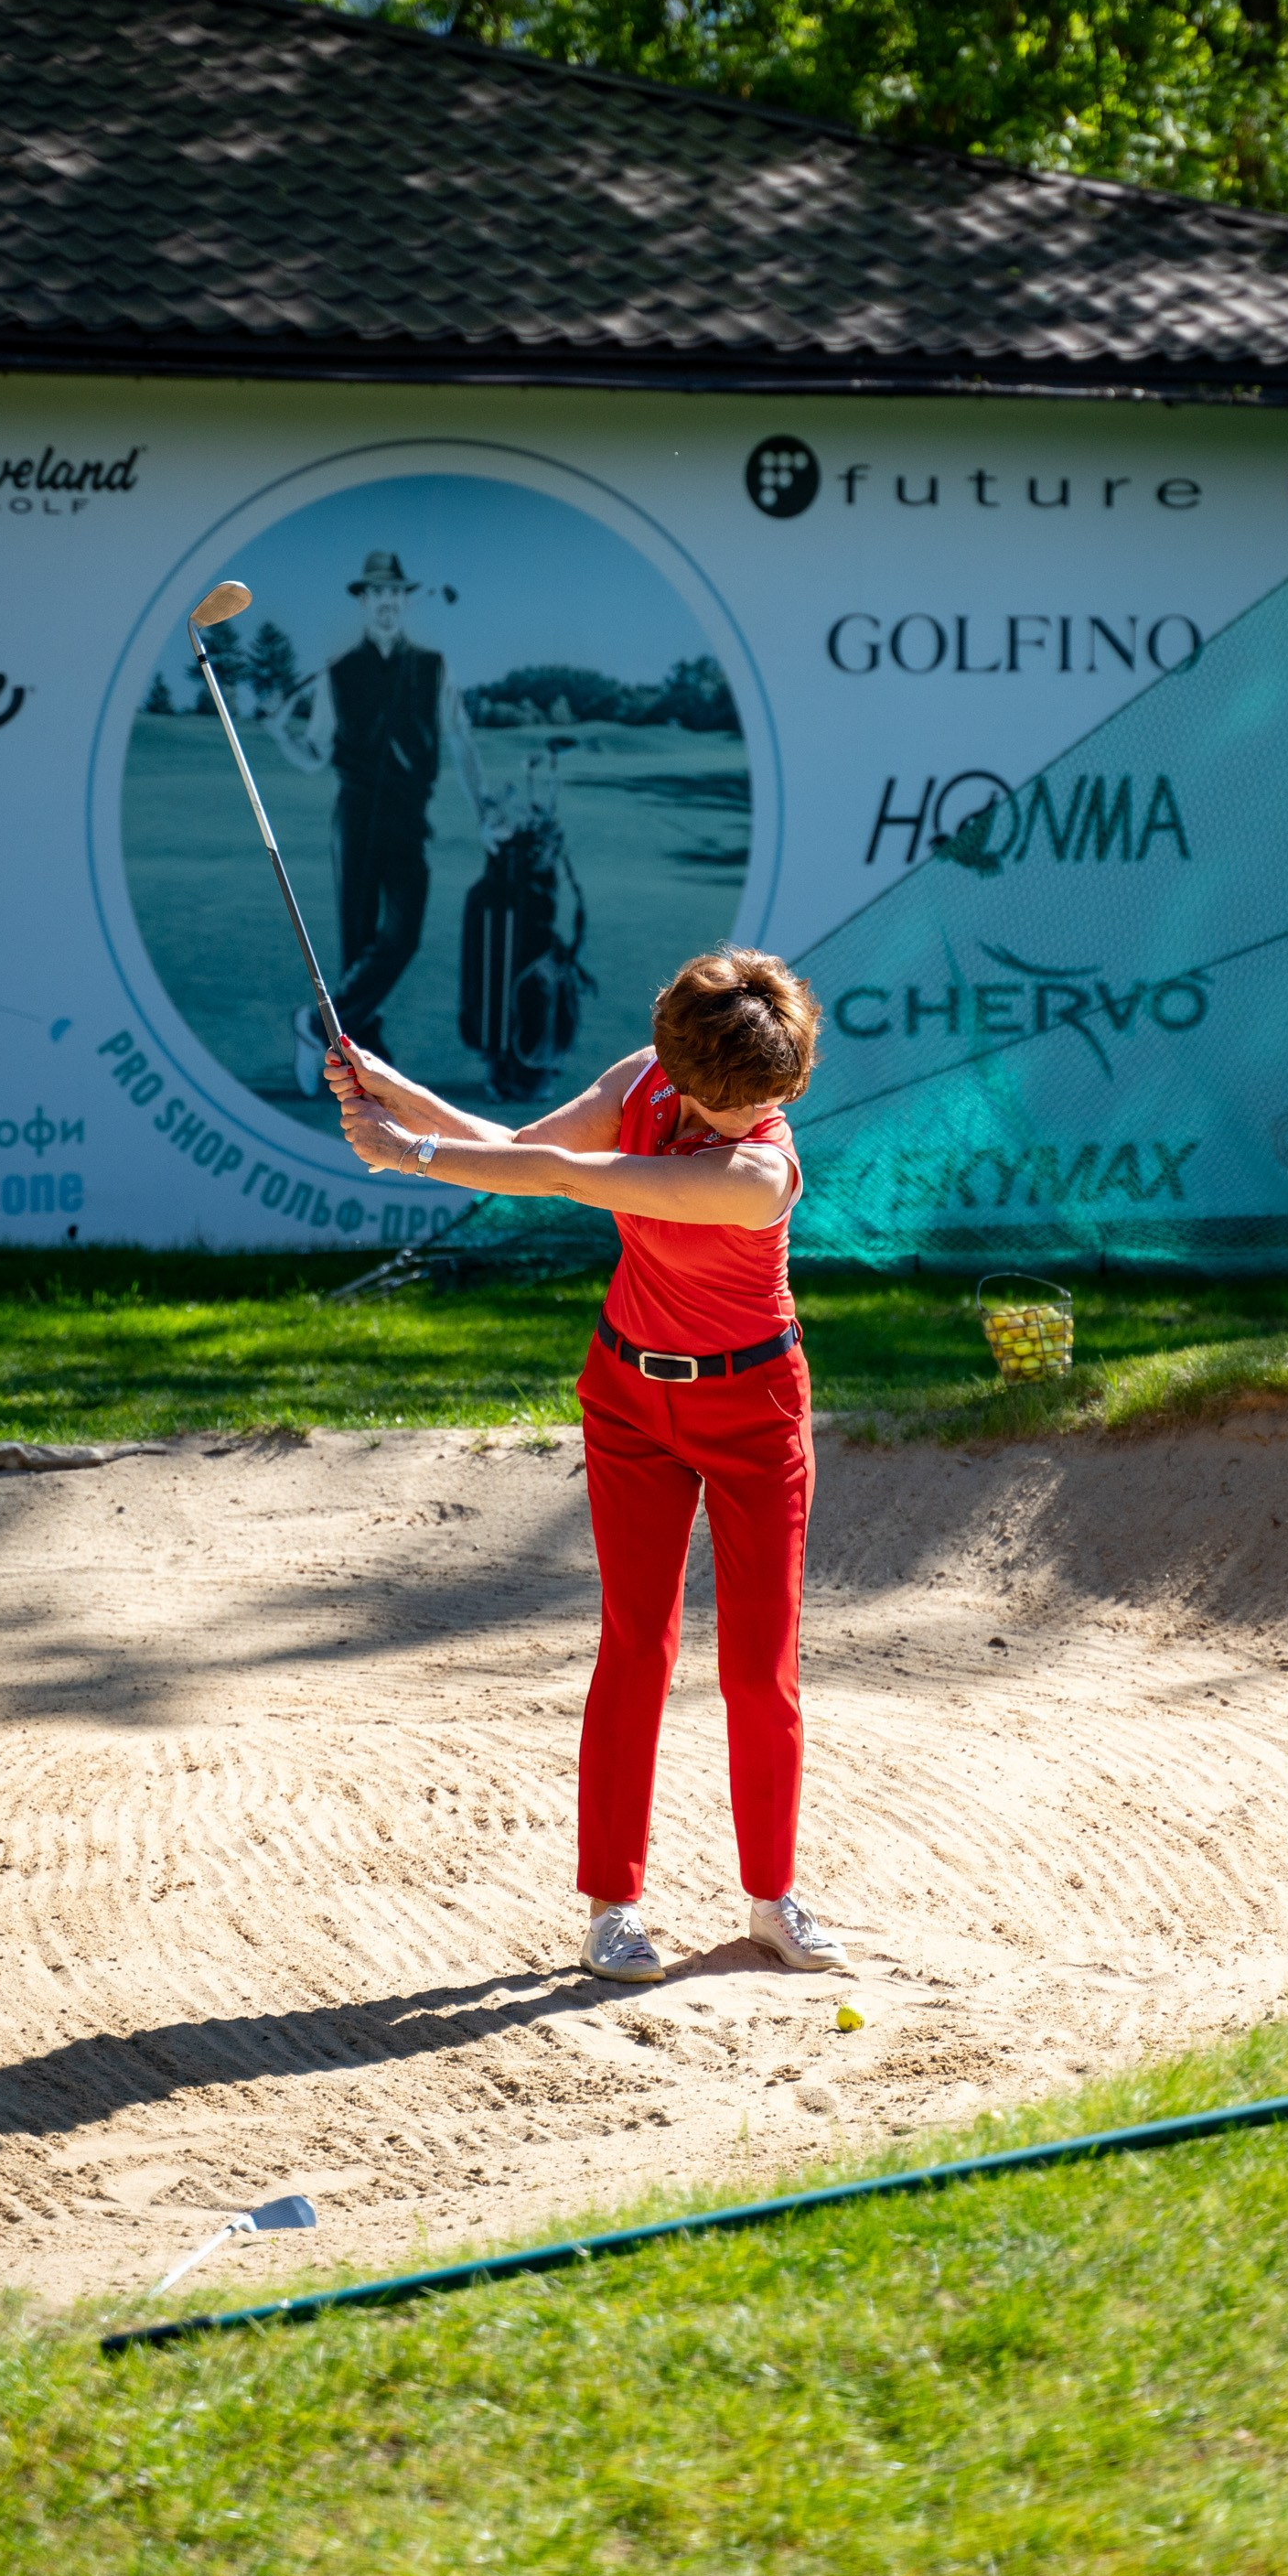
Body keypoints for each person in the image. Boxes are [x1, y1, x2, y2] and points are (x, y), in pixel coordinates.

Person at [325, 948, 843, 1984]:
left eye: (772, 1096)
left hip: (753, 1409)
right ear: (679, 1072)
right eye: (733, 1098)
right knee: (635, 1646)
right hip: (627, 1401)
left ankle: (772, 1898)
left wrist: (406, 1153)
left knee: (757, 1665)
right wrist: (399, 1095)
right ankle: (614, 1909)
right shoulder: (641, 1080)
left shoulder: (757, 1173)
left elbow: (561, 1182)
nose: (754, 1113)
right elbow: (524, 1151)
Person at [266, 549, 492, 1090]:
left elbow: (461, 740)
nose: (386, 603)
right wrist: (280, 735)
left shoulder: (433, 666)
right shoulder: (339, 673)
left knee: (402, 934)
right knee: (358, 940)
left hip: (408, 816)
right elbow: (317, 754)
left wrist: (483, 810)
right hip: (355, 817)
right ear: (364, 602)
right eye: (377, 594)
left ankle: (316, 1028)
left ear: (404, 601)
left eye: (395, 593)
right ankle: (364, 1057)